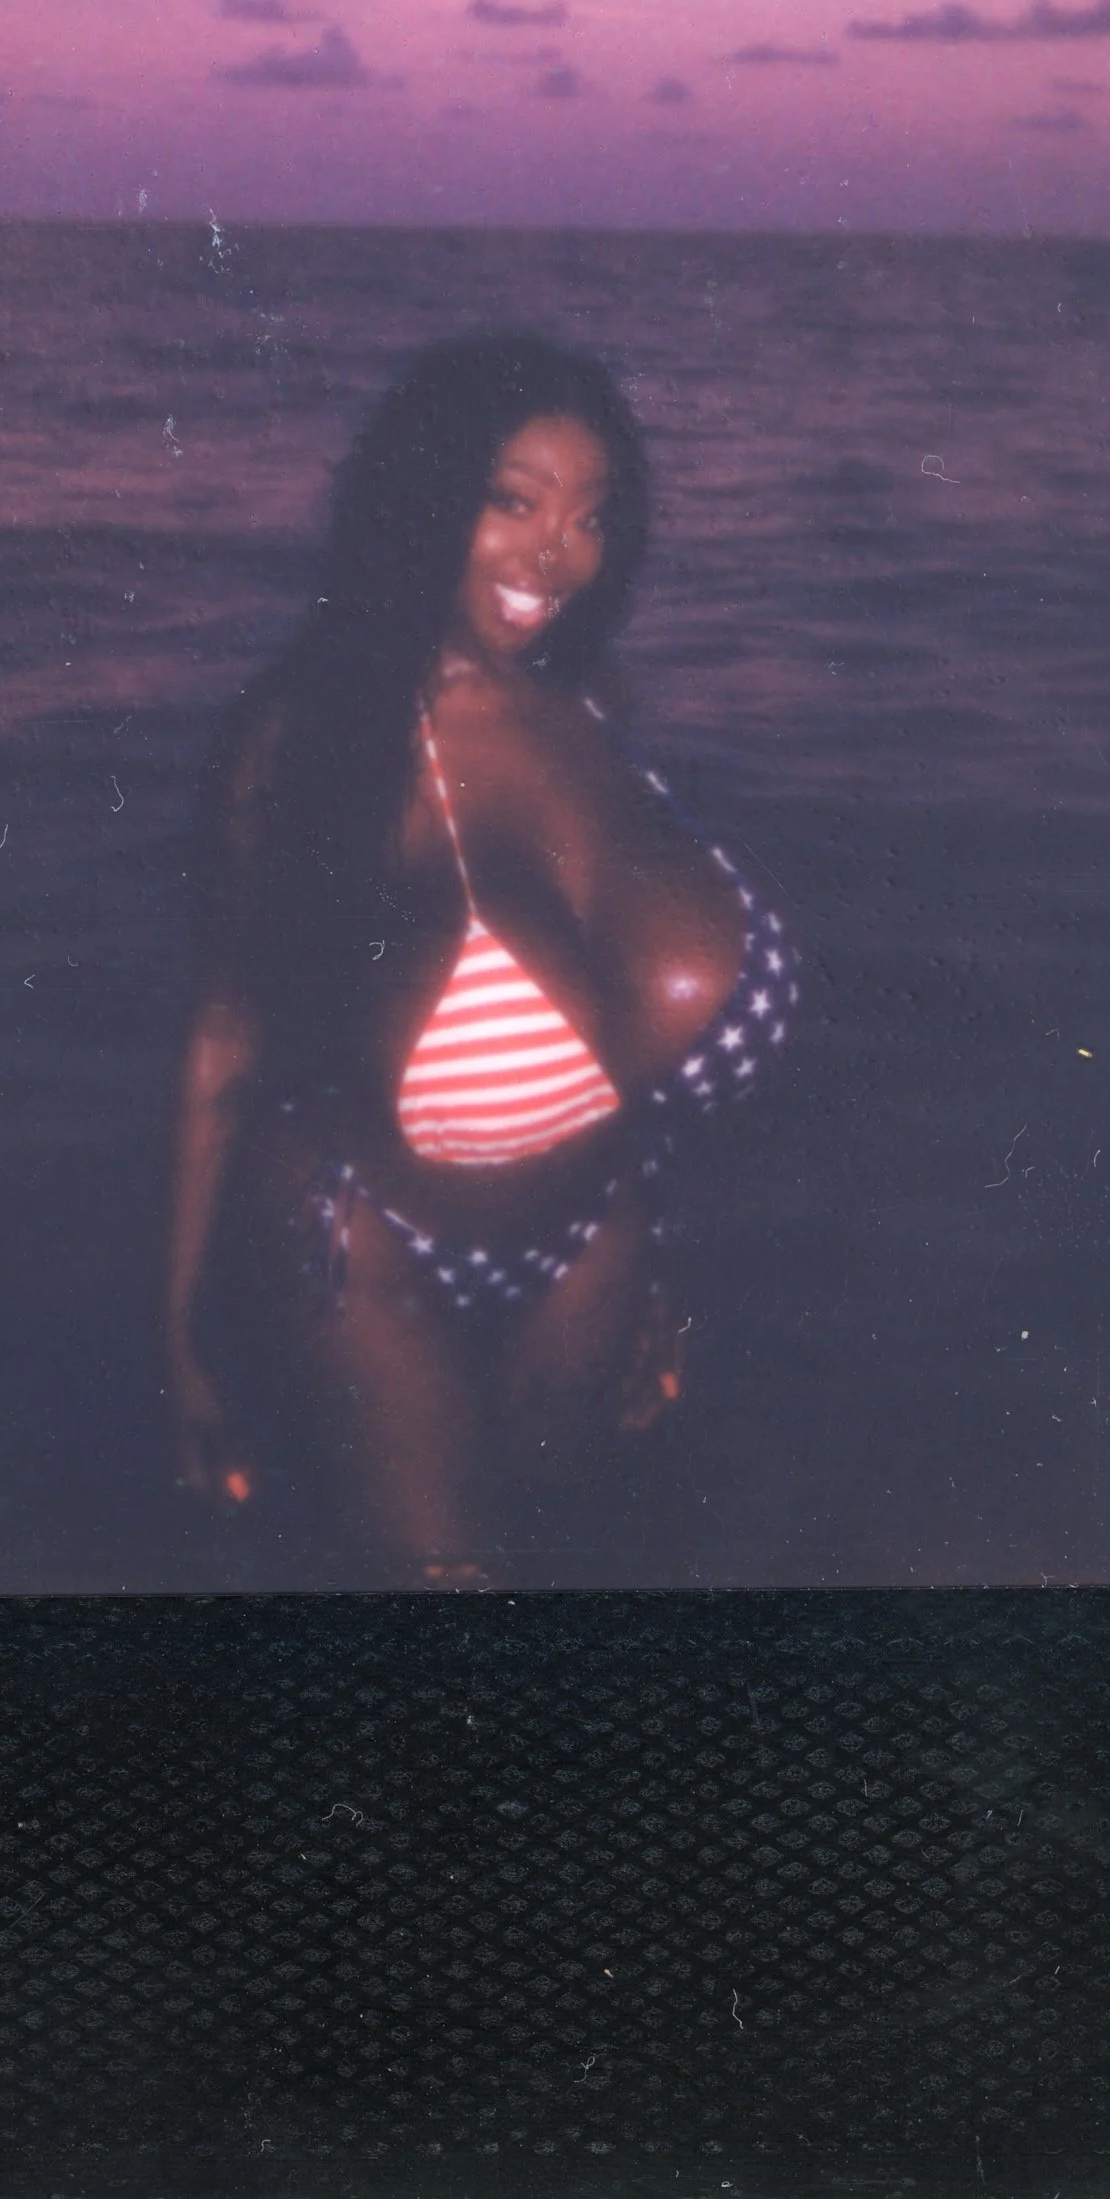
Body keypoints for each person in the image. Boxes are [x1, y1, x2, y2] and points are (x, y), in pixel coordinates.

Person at [164, 334, 796, 1587]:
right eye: (511, 502)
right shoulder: (312, 741)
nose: (552, 555)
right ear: (423, 496)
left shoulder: (593, 707)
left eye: (589, 516)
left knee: (565, 1567)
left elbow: (630, 1051)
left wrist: (655, 1256)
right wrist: (180, 1339)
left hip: (595, 1247)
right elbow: (228, 1040)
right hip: (366, 1247)